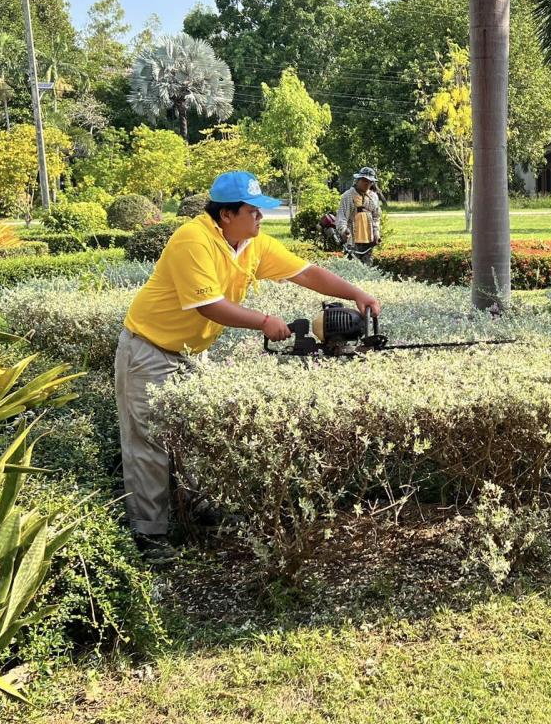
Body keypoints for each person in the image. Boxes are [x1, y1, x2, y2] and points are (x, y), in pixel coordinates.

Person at [116, 170, 382, 556]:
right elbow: (209, 305)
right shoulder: (193, 240)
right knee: (148, 443)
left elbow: (305, 272)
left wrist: (357, 292)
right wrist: (263, 321)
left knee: (195, 434)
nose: (261, 218)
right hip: (149, 350)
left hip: (191, 352)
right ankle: (149, 534)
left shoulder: (251, 243)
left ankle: (198, 508)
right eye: (254, 211)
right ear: (226, 215)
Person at [336, 166, 382, 264]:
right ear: (358, 180)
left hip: (368, 241)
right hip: (352, 240)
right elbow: (342, 217)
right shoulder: (347, 196)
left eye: (370, 181)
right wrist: (344, 231)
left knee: (367, 269)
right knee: (352, 269)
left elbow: (376, 216)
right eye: (364, 180)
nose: (367, 183)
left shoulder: (374, 197)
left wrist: (376, 232)